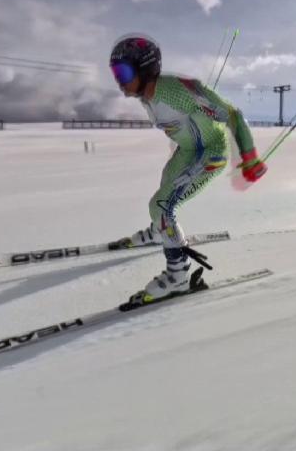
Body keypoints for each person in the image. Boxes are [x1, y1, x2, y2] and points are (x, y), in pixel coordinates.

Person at [110, 33, 267, 303]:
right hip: (189, 151)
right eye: (115, 74)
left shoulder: (176, 90)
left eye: (123, 72)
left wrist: (249, 156)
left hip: (210, 154)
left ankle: (178, 276)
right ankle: (161, 231)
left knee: (160, 204)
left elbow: (232, 114)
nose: (119, 82)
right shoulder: (147, 98)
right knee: (164, 190)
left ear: (145, 68)